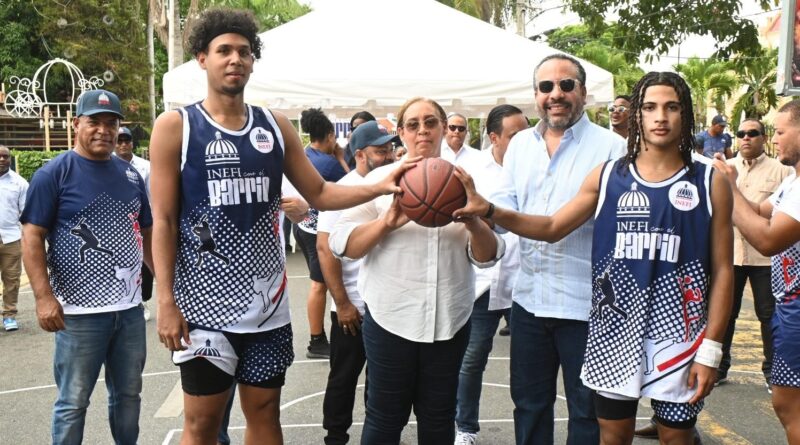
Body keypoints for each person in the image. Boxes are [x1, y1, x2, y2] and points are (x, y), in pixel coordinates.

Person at [149, 9, 407, 445]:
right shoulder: (177, 127)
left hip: (267, 308)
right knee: (202, 424)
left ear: (253, 60)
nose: (235, 59)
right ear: (202, 59)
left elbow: (320, 193)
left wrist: (381, 185)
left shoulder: (274, 125)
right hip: (204, 309)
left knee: (265, 413)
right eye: (224, 50)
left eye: (244, 51)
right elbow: (165, 220)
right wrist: (166, 300)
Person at [455, 71, 733, 445]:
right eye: (650, 107)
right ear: (637, 115)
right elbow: (552, 226)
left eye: (672, 107)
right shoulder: (607, 176)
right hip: (615, 333)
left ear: (686, 114)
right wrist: (489, 210)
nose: (660, 117)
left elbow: (723, 269)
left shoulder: (709, 181)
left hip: (678, 338)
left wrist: (711, 350)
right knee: (611, 436)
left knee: (675, 437)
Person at [329, 97, 504, 445]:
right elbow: (342, 245)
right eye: (413, 124)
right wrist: (387, 222)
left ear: (444, 127)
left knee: (439, 418)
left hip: (450, 321)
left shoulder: (469, 182)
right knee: (384, 418)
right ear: (401, 132)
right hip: (391, 319)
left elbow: (488, 257)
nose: (422, 130)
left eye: (430, 122)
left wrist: (473, 221)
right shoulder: (378, 181)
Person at [477, 53, 626, 445]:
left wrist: (486, 210)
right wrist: (461, 208)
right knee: (529, 407)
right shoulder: (520, 146)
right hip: (528, 301)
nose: (555, 94)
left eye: (565, 85)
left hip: (587, 305)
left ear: (583, 92)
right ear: (536, 95)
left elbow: (552, 227)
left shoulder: (613, 148)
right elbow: (502, 212)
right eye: (546, 87)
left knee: (586, 413)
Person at [21, 89, 152, 445]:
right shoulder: (54, 174)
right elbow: (32, 236)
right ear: (76, 123)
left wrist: (168, 290)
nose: (103, 130)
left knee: (128, 396)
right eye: (94, 121)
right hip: (78, 315)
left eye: (112, 123)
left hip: (129, 312)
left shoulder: (130, 175)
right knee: (73, 401)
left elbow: (147, 232)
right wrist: (43, 298)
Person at [712, 99, 800, 445]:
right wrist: (730, 183)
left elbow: (767, 240)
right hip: (789, 307)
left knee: (789, 404)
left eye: (780, 132)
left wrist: (729, 188)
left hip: (797, 308)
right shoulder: (792, 183)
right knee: (786, 402)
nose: (775, 139)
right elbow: (757, 211)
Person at [317, 121, 395, 445]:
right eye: (381, 151)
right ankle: (336, 437)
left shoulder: (394, 184)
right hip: (353, 307)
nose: (389, 155)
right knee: (344, 376)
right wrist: (343, 303)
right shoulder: (342, 190)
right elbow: (325, 249)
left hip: (385, 305)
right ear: (360, 155)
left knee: (381, 381)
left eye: (390, 149)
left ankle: (376, 437)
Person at [454, 104, 528, 445]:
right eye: (515, 135)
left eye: (527, 133)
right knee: (471, 360)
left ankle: (529, 433)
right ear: (494, 137)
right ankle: (465, 427)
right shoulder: (470, 171)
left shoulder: (537, 167)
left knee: (529, 366)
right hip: (483, 281)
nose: (524, 140)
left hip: (525, 282)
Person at [718, 119, 791, 390]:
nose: (746, 138)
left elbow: (765, 213)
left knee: (769, 315)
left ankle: (773, 372)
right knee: (725, 313)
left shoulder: (783, 171)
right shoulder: (725, 168)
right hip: (731, 254)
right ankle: (719, 368)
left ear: (764, 137)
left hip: (766, 258)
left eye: (753, 133)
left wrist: (733, 192)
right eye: (741, 133)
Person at [296, 107, 350, 359]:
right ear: (329, 135)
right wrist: (340, 158)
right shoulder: (329, 164)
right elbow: (352, 184)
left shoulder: (306, 154)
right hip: (317, 230)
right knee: (320, 284)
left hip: (304, 226)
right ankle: (316, 341)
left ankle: (317, 338)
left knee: (319, 283)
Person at [113, 127, 154, 321]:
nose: (123, 144)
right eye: (119, 141)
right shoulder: (107, 165)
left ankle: (143, 299)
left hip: (143, 222)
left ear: (132, 143)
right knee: (122, 264)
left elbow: (152, 196)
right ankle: (125, 300)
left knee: (145, 263)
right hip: (119, 224)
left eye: (126, 140)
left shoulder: (146, 166)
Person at [0, 145, 27, 331]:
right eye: (0, 156)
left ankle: (9, 315)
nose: (2, 159)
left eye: (6, 156)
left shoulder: (20, 183)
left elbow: (26, 213)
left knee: (12, 279)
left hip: (10, 239)